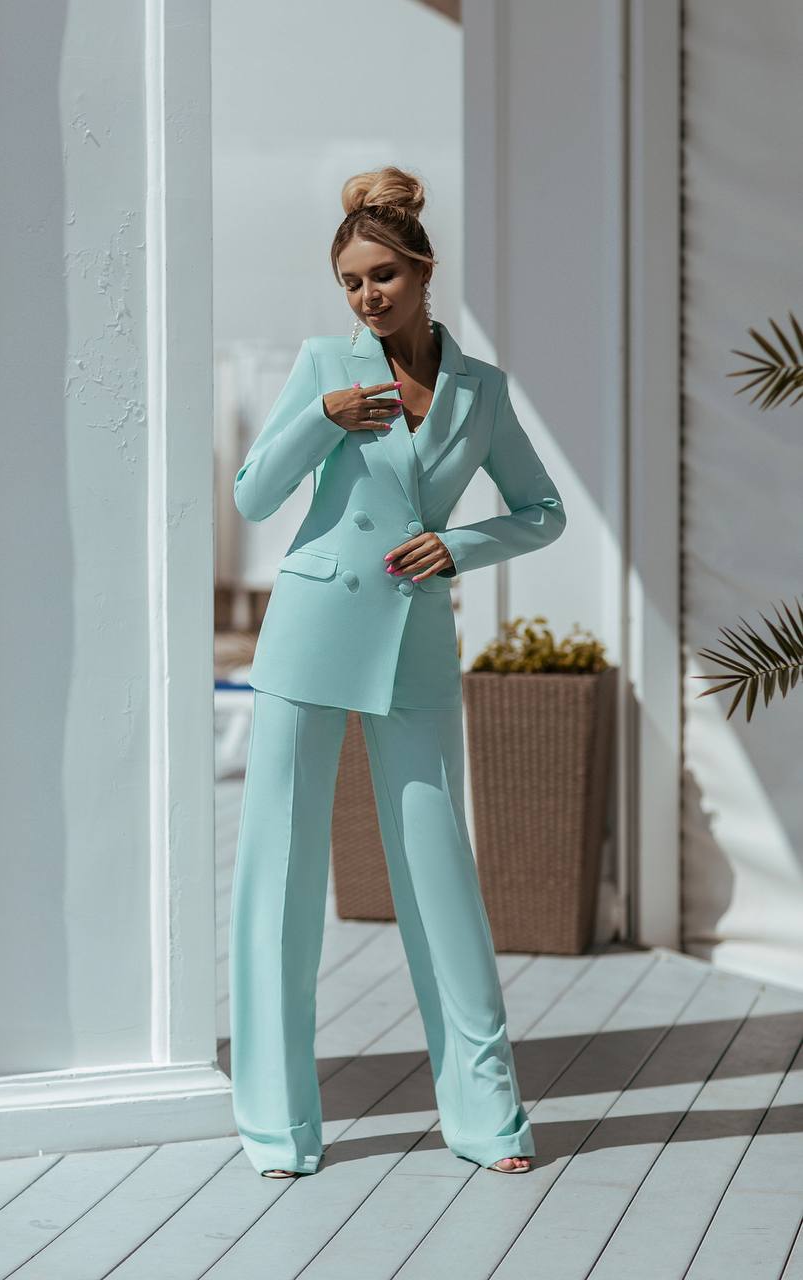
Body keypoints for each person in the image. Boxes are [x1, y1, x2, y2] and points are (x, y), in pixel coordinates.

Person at [228, 164, 567, 1179]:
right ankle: (278, 1125)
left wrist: (459, 547)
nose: (366, 295)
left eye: (382, 275)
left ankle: (486, 1114)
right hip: (308, 635)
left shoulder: (482, 391)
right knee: (278, 884)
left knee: (439, 877)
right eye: (349, 281)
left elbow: (540, 508)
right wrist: (323, 417)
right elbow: (252, 497)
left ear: (422, 270)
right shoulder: (326, 364)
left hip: (414, 646)